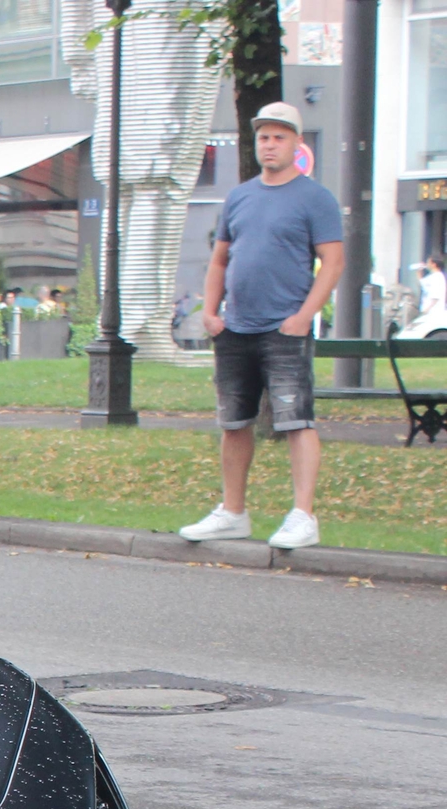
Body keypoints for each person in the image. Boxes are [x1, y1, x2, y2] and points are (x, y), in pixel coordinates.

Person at [179, 101, 344, 552]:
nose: (270, 145)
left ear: (296, 143)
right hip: (236, 327)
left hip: (285, 328)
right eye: (264, 137)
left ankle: (302, 516)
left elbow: (333, 262)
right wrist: (211, 313)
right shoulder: (240, 196)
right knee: (234, 423)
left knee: (297, 421)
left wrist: (304, 316)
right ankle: (233, 512)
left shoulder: (316, 198)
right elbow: (220, 258)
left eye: (279, 137)